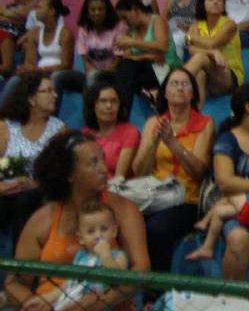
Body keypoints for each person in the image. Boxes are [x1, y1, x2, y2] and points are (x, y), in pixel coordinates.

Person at [4, 131, 149, 308]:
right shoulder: (42, 219)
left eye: (103, 160)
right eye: (93, 163)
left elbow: (141, 270)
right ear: (69, 174)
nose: (104, 169)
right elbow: (15, 282)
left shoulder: (124, 210)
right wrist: (34, 305)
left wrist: (94, 303)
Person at [185, 83, 249, 278]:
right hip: (236, 204)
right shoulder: (227, 140)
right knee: (239, 239)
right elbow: (225, 182)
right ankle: (230, 294)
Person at [131, 68, 214, 272]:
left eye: (185, 84)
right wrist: (154, 142)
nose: (179, 88)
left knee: (156, 228)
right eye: (174, 84)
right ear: (165, 93)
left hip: (186, 200)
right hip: (154, 194)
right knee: (127, 220)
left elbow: (199, 172)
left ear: (193, 93)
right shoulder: (153, 123)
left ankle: (157, 287)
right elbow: (139, 172)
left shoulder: (205, 124)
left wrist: (172, 142)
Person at [0, 75, 64, 244]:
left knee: (25, 200)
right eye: (47, 91)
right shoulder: (6, 127)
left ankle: (21, 258)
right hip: (6, 187)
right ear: (31, 99)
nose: (55, 95)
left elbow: (61, 174)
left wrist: (35, 184)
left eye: (54, 90)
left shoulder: (59, 130)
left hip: (39, 190)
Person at [49, 200, 129, 310]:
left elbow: (118, 281)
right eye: (91, 231)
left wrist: (105, 255)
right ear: (81, 238)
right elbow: (69, 285)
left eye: (104, 229)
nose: (98, 235)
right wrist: (46, 298)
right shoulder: (80, 257)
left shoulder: (117, 256)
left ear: (114, 231)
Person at [0, 0, 76, 110]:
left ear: (51, 11)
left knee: (55, 77)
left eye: (40, 8)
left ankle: (51, 115)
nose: (36, 11)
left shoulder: (65, 33)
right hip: (39, 72)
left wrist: (39, 70)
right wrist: (25, 68)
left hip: (59, 73)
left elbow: (66, 65)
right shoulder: (35, 33)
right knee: (16, 79)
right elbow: (30, 62)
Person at [184, 0, 244, 108]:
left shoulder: (230, 25)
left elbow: (212, 43)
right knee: (200, 74)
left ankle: (171, 85)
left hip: (228, 75)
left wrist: (189, 36)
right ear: (203, 4)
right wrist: (213, 53)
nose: (215, 2)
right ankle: (197, 112)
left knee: (200, 57)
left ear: (223, 5)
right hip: (208, 76)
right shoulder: (197, 25)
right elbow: (191, 50)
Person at [114, 0, 172, 112]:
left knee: (127, 71)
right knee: (125, 68)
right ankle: (123, 109)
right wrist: (148, 55)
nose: (124, 22)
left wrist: (134, 43)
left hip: (162, 68)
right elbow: (128, 56)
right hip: (142, 70)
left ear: (135, 10)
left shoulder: (157, 21)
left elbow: (162, 47)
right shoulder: (131, 30)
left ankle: (123, 110)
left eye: (125, 17)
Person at [81, 82, 140, 179]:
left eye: (114, 101)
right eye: (103, 101)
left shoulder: (130, 132)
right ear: (93, 105)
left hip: (116, 186)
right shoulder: (84, 134)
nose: (109, 106)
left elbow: (119, 177)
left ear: (120, 105)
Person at [75, 0, 127, 87]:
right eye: (93, 10)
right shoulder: (83, 28)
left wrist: (100, 74)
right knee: (58, 77)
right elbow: (86, 62)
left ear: (107, 11)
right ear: (87, 12)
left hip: (113, 73)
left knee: (93, 77)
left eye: (100, 9)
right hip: (91, 73)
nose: (97, 12)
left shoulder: (119, 27)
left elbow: (117, 61)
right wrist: (94, 72)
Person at [0, 0, 38, 79]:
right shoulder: (11, 6)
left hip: (16, 36)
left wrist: (5, 13)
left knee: (4, 35)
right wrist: (9, 15)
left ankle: (6, 69)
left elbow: (22, 15)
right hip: (5, 33)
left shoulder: (34, 4)